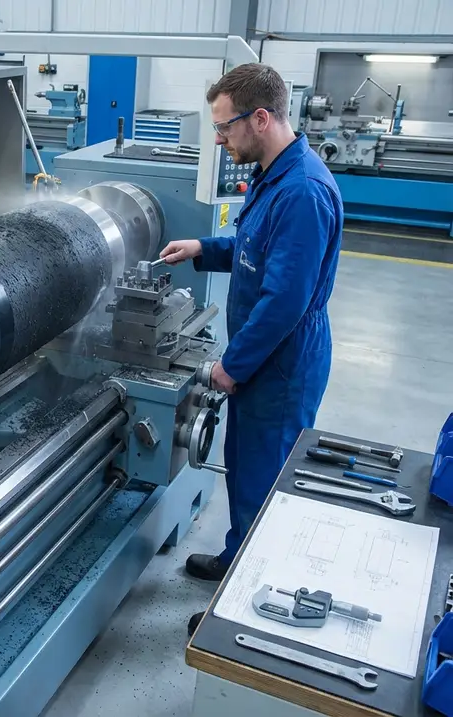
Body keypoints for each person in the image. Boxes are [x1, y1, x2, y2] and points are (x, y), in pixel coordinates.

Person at [159, 64, 344, 636]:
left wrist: (232, 367)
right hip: (263, 358)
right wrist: (203, 248)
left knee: (265, 483)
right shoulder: (273, 175)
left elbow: (285, 302)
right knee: (243, 470)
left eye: (224, 127)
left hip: (282, 363)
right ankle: (237, 557)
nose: (219, 139)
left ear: (260, 118)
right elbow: (253, 247)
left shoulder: (303, 191)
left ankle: (245, 614)